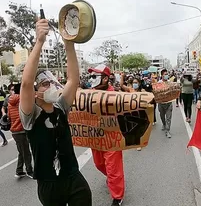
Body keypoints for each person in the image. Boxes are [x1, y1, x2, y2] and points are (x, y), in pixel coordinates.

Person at [19, 18, 91, 206]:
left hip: (74, 179)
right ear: (35, 93)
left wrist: (68, 42)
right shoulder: (30, 116)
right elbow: (26, 83)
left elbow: (73, 80)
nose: (50, 86)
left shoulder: (60, 107)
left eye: (51, 82)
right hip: (49, 185)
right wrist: (40, 41)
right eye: (44, 84)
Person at [87, 64, 124, 206]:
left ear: (105, 79)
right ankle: (112, 179)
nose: (92, 79)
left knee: (113, 167)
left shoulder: (114, 95)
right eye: (91, 76)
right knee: (99, 164)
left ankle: (117, 196)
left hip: (112, 138)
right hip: (95, 137)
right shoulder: (87, 94)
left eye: (94, 76)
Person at [7, 83, 34, 178]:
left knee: (21, 151)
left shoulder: (10, 101)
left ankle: (19, 170)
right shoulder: (23, 100)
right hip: (22, 129)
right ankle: (29, 171)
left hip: (14, 130)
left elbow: (9, 116)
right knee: (26, 152)